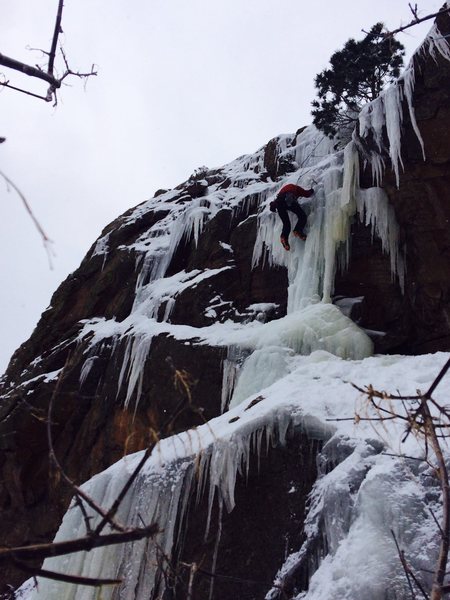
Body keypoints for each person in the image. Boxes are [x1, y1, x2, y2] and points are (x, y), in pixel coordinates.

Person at [269, 183, 314, 250]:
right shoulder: (297, 188)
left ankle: (284, 238)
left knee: (286, 224)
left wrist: (273, 206)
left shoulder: (283, 190)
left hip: (279, 203)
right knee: (302, 216)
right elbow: (306, 194)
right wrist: (312, 190)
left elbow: (279, 199)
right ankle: (298, 230)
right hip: (288, 199)